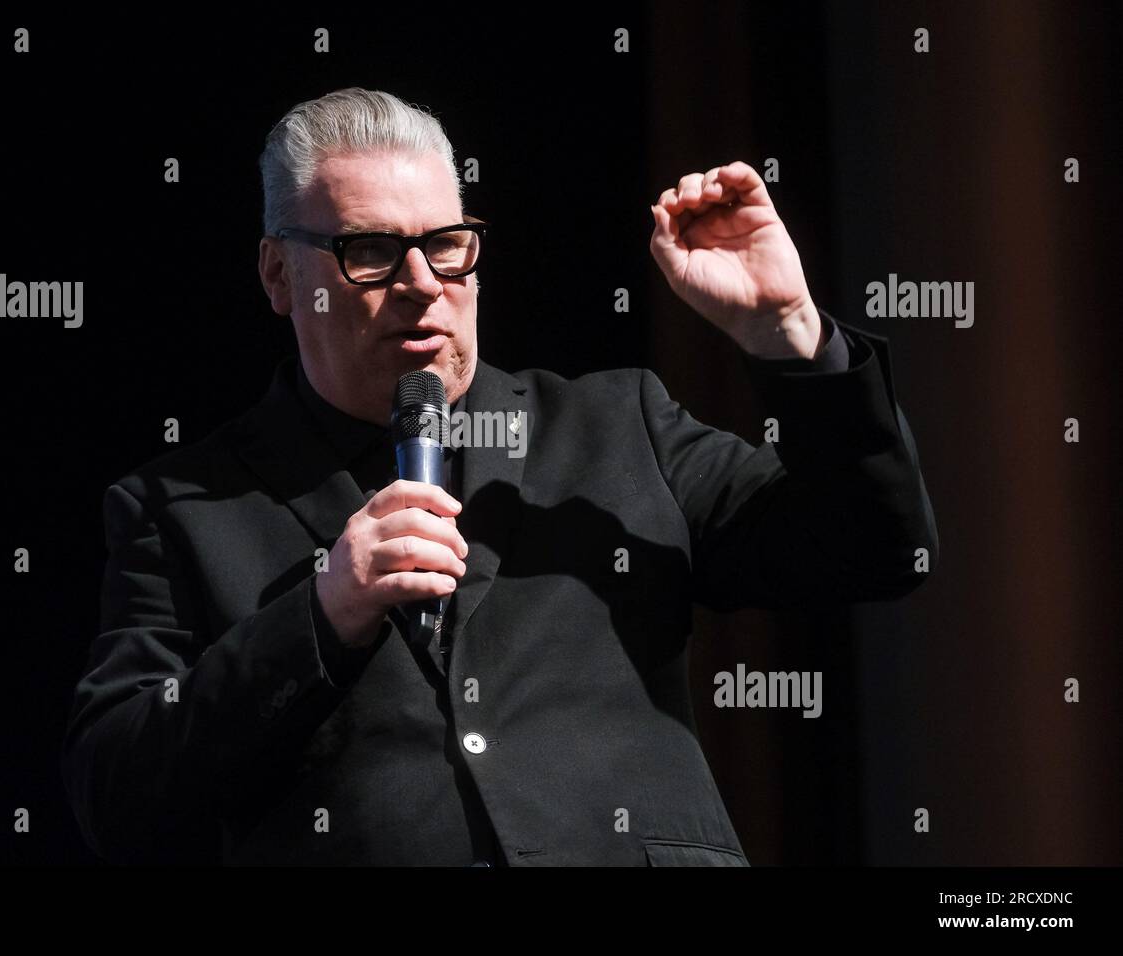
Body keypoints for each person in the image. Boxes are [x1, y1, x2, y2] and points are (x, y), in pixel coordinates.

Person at [61, 87, 938, 866]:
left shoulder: (615, 426)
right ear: (278, 275)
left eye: (447, 244)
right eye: (368, 251)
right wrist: (322, 614)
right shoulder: (182, 507)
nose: (420, 284)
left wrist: (789, 333)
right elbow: (120, 796)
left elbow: (877, 549)